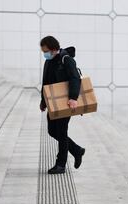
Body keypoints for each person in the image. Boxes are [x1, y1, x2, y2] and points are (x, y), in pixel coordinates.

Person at [39, 36, 85, 174]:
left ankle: (61, 164)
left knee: (62, 131)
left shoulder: (66, 59)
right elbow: (45, 82)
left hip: (65, 102)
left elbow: (75, 78)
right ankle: (77, 150)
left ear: (53, 49)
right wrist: (43, 101)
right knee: (52, 131)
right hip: (53, 102)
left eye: (46, 51)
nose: (44, 54)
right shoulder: (49, 61)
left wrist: (73, 98)